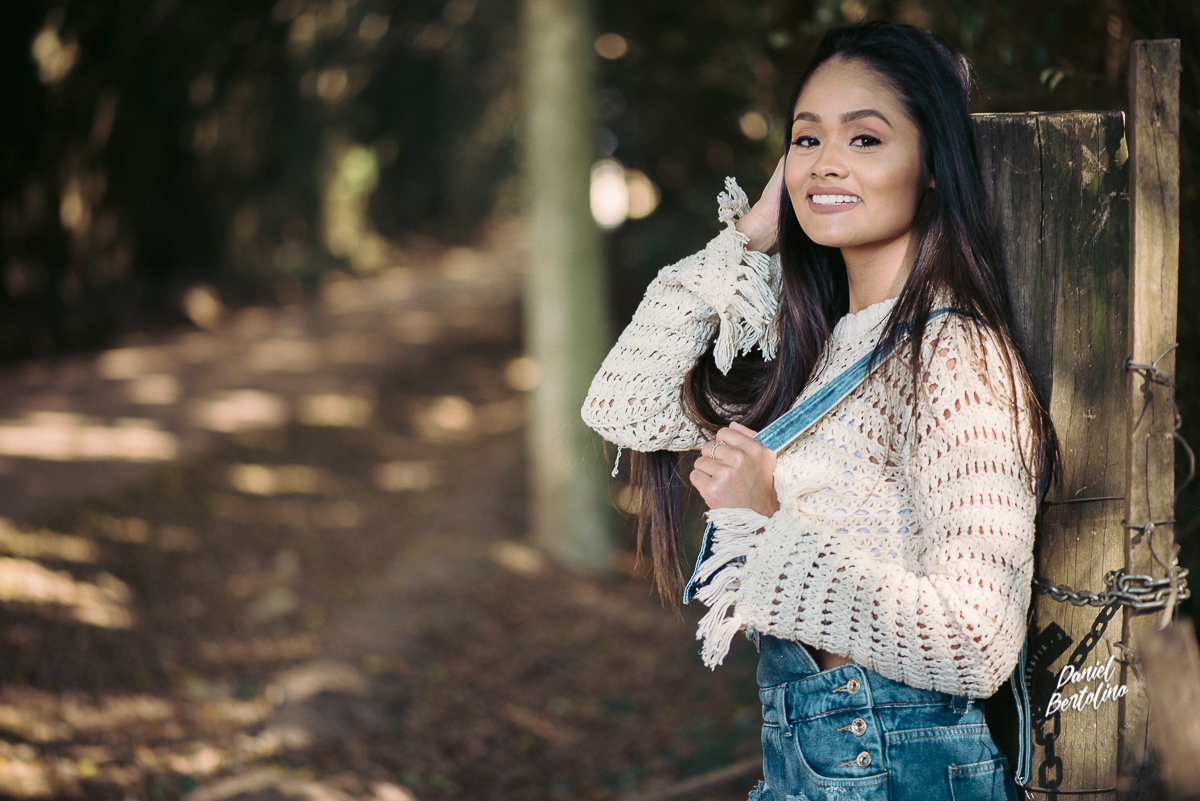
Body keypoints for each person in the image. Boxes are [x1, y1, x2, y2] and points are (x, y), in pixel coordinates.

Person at [581, 21, 1058, 801]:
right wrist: (753, 233)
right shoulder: (828, 346)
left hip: (896, 771)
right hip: (820, 766)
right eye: (806, 140)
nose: (827, 162)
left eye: (865, 140)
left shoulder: (951, 357)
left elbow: (977, 640)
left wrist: (767, 524)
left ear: (933, 166)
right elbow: (624, 402)